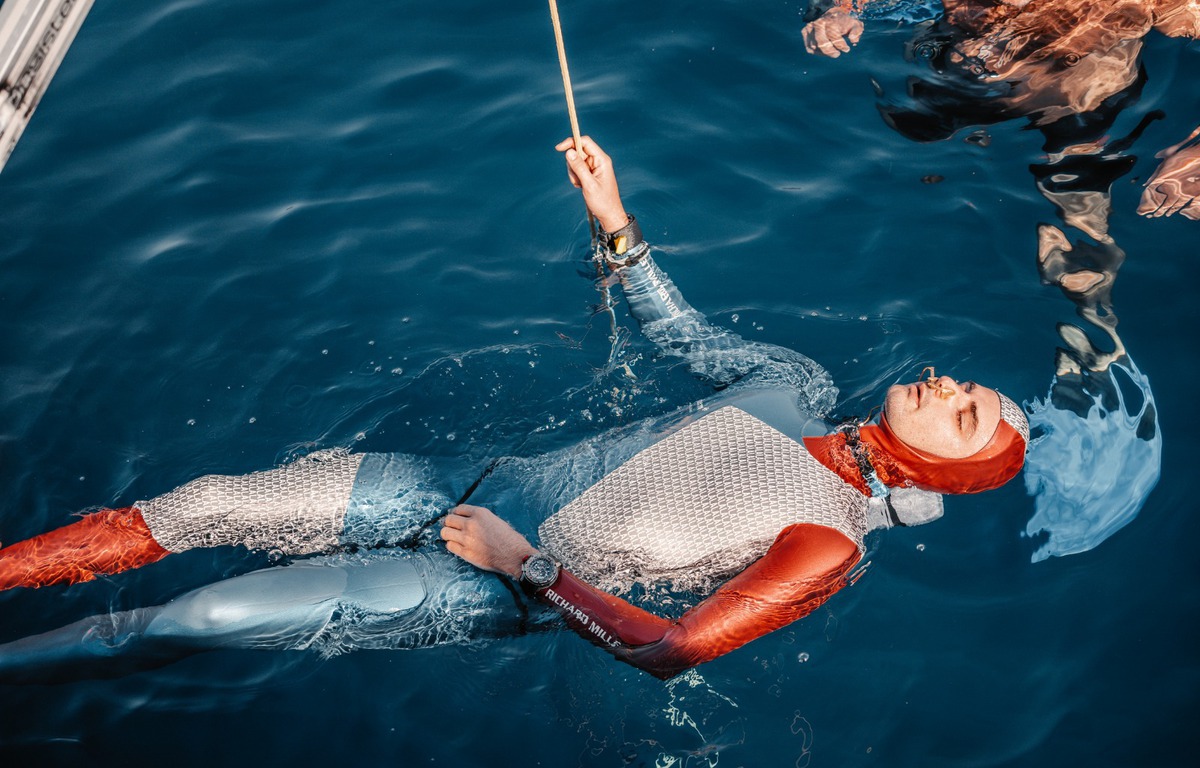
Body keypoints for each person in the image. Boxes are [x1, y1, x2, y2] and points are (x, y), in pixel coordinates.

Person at [0, 137, 1028, 681]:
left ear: (946, 471)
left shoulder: (829, 545)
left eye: (967, 414)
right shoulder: (797, 383)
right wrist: (616, 218)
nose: (948, 386)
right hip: (463, 484)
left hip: (494, 586)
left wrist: (519, 563)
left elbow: (668, 653)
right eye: (967, 383)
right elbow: (681, 334)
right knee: (199, 506)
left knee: (199, 614)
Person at [801, 0, 1200, 224]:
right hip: (952, 90)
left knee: (1083, 217)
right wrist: (838, 11)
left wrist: (1194, 149)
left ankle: (1094, 314)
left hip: (1081, 104)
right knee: (910, 147)